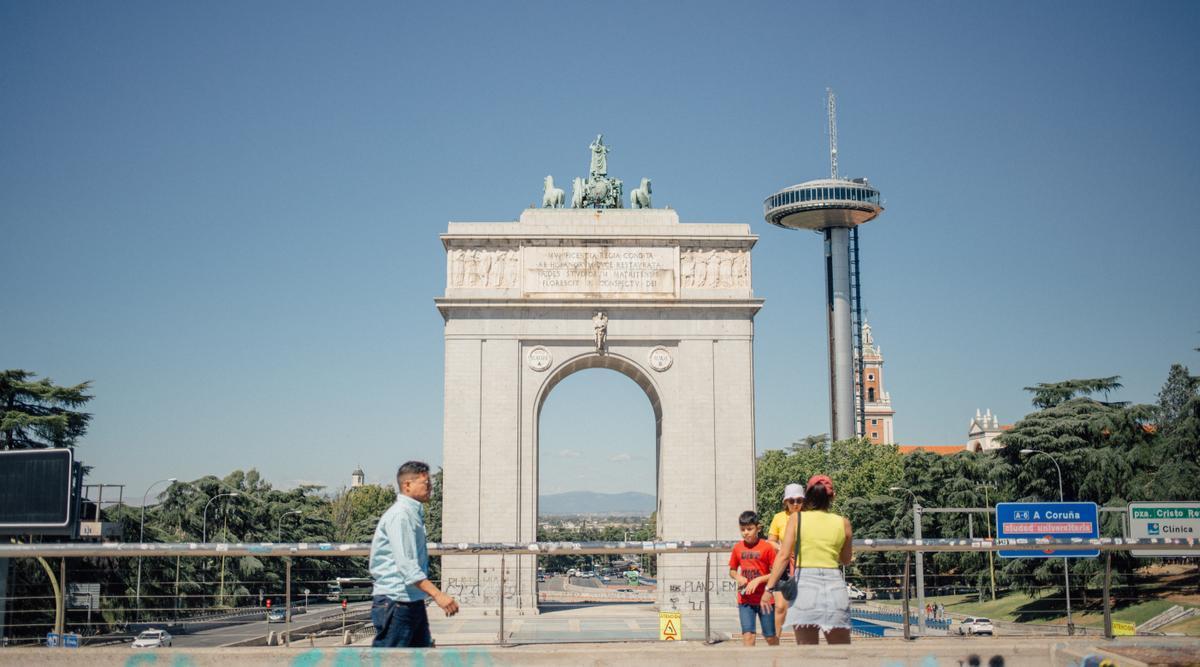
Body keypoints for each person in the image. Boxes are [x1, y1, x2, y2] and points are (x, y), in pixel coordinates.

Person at [368, 461, 459, 647]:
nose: (430, 488)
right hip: (396, 601)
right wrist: (438, 595)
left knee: (419, 659)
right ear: (407, 485)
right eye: (426, 483)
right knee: (390, 661)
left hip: (411, 600)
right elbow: (407, 566)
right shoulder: (401, 516)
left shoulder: (412, 514)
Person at [765, 474, 853, 645]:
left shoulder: (796, 518)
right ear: (832, 496)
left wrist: (769, 588)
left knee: (807, 654)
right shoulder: (843, 523)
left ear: (808, 496)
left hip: (805, 586)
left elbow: (783, 555)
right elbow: (846, 559)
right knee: (841, 653)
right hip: (834, 586)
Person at [729, 511, 778, 646]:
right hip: (745, 600)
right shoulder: (737, 548)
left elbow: (775, 573)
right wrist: (738, 577)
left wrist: (758, 580)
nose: (746, 532)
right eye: (742, 529)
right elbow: (732, 571)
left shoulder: (767, 547)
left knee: (770, 637)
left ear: (758, 528)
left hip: (765, 599)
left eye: (749, 529)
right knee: (748, 636)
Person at [766, 482, 805, 637]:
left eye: (799, 500)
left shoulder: (808, 517)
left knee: (799, 609)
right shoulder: (778, 518)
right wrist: (784, 550)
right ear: (785, 502)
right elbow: (770, 540)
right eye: (792, 501)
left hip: (802, 566)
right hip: (783, 566)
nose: (795, 504)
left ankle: (802, 643)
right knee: (781, 607)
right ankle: (775, 641)